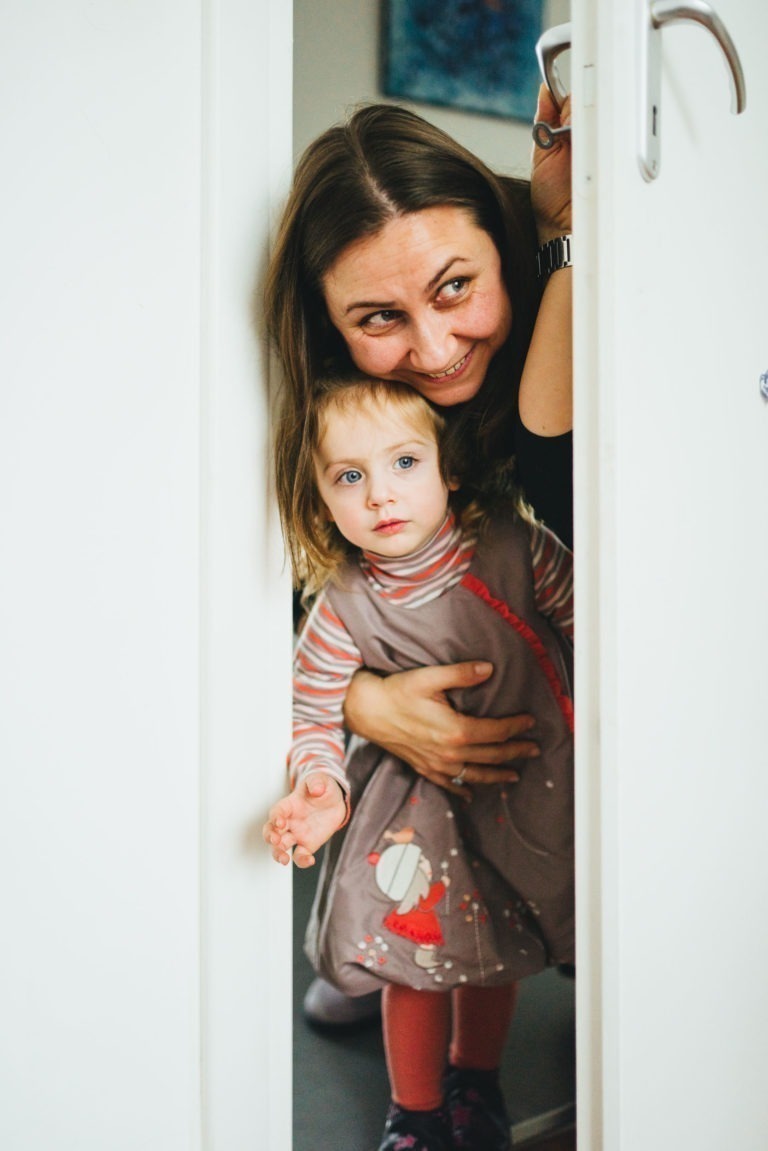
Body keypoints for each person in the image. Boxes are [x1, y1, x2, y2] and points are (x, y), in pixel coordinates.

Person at [264, 91, 573, 1025]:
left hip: (523, 699)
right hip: (405, 714)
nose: (436, 348)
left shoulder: (561, 315)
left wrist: (560, 239)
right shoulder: (333, 413)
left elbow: (566, 502)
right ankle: (386, 937)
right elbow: (295, 593)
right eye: (378, 318)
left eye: (455, 287)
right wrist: (369, 705)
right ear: (329, 325)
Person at [263, 375, 574, 1151]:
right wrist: (319, 787)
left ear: (449, 468)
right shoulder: (341, 602)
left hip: (520, 791)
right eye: (349, 476)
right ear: (320, 502)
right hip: (413, 818)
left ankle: (476, 1078)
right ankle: (417, 1110)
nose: (380, 496)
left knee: (493, 953)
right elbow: (311, 714)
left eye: (404, 462)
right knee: (416, 960)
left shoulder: (514, 546)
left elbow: (597, 621)